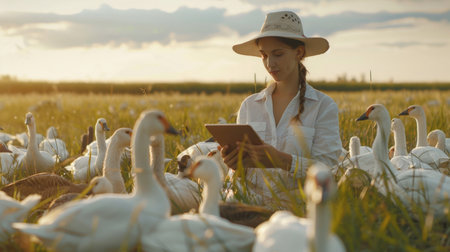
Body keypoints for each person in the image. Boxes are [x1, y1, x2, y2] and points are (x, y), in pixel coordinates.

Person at [220, 10, 342, 209]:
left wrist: (282, 160)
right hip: (250, 208)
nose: (270, 63)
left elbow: (328, 170)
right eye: (264, 55)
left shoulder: (323, 106)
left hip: (298, 210)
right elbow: (238, 177)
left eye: (278, 54)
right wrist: (235, 165)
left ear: (299, 53)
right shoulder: (250, 106)